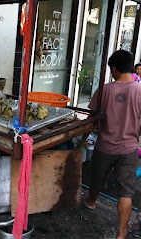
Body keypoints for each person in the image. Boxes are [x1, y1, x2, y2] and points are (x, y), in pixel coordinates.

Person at [81, 50, 141, 239]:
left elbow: (90, 120)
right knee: (126, 191)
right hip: (130, 148)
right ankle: (121, 234)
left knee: (97, 178)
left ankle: (91, 201)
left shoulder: (104, 90)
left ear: (113, 69)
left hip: (105, 146)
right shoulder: (139, 90)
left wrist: (82, 142)